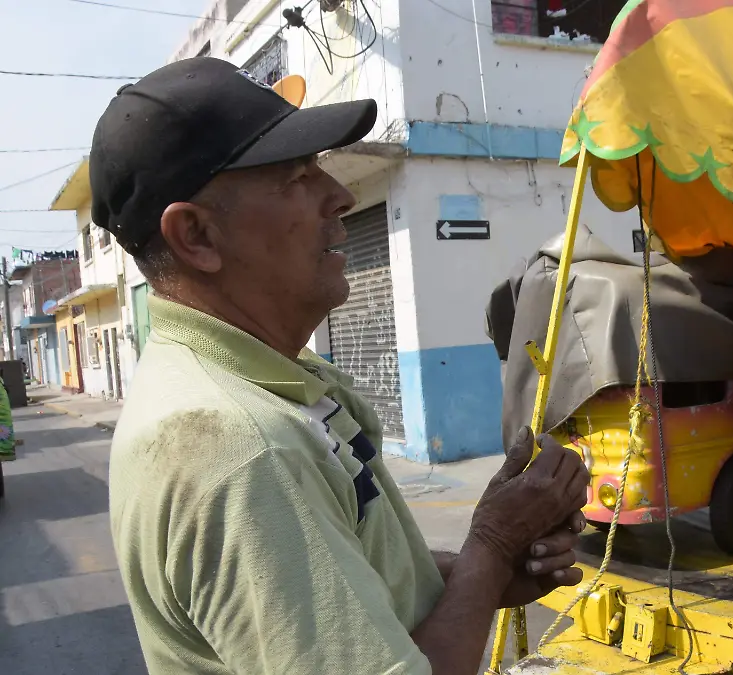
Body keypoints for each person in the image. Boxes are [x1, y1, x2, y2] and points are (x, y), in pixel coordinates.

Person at [97, 57, 589, 675]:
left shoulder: (267, 381)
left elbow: (351, 573)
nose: (341, 195)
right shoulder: (237, 447)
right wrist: (489, 549)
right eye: (297, 176)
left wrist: (482, 567)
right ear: (196, 236)